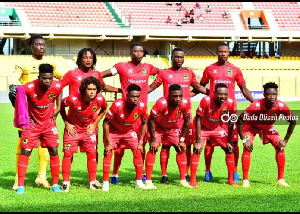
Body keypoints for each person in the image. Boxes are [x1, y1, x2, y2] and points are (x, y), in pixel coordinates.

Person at [192, 42, 255, 183]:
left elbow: (243, 88)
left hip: (229, 112)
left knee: (233, 143)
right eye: (220, 51)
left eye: (225, 51)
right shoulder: (209, 69)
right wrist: (204, 94)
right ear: (217, 52)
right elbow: (200, 86)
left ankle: (235, 171)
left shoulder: (235, 70)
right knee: (209, 144)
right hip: (212, 111)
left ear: (228, 53)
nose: (223, 54)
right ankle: (208, 171)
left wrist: (254, 102)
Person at [100, 42, 160, 185]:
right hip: (124, 113)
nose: (139, 53)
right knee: (119, 147)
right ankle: (114, 174)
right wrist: (117, 90)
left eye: (141, 51)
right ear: (130, 52)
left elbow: (163, 74)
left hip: (140, 113)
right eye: (136, 51)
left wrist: (149, 89)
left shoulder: (148, 68)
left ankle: (142, 174)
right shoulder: (122, 66)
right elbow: (102, 75)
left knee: (141, 144)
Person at [60, 47, 120, 188]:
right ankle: (66, 181)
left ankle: (93, 180)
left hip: (91, 120)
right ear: (80, 59)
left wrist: (121, 90)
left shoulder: (97, 75)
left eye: (90, 57)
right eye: (85, 57)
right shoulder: (71, 74)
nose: (88, 60)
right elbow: (59, 87)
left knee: (93, 150)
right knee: (69, 151)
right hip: (74, 117)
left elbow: (104, 87)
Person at [10, 34, 63, 190]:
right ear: (31, 46)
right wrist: (14, 87)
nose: (42, 47)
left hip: (45, 112)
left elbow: (62, 79)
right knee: (22, 146)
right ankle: (18, 179)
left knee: (46, 147)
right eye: (38, 44)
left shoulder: (50, 65)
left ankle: (41, 176)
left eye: (44, 44)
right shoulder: (23, 63)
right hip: (28, 112)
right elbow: (14, 82)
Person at [148, 47, 209, 184]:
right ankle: (164, 174)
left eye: (181, 57)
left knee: (185, 145)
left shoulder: (189, 73)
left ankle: (185, 174)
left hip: (184, 115)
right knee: (166, 146)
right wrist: (139, 95)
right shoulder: (164, 73)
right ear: (172, 58)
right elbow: (152, 87)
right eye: (176, 57)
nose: (179, 59)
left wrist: (212, 94)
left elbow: (198, 87)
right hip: (167, 114)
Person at [237, 82, 296, 187]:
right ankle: (245, 180)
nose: (271, 96)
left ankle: (280, 180)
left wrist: (285, 140)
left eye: (274, 94)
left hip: (267, 127)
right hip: (250, 127)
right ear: (264, 95)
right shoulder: (256, 105)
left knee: (280, 147)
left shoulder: (281, 106)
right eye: (269, 94)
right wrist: (244, 140)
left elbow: (293, 121)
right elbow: (240, 120)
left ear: (277, 95)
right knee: (248, 147)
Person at [60, 77, 107, 192]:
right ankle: (66, 182)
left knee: (92, 154)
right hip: (73, 130)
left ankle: (92, 182)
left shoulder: (100, 99)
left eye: (94, 89)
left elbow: (104, 109)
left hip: (88, 130)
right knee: (68, 154)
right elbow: (61, 105)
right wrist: (66, 122)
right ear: (83, 90)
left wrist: (95, 123)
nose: (92, 92)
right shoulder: (73, 99)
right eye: (89, 89)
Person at [102, 84, 149, 192]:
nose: (135, 99)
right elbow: (105, 123)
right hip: (113, 132)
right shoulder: (117, 105)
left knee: (138, 150)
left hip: (128, 131)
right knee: (108, 152)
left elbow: (144, 123)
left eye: (137, 96)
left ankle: (138, 182)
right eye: (133, 96)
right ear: (127, 95)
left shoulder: (142, 106)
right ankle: (105, 183)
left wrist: (141, 142)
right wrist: (108, 142)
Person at [190, 83, 238, 187]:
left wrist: (229, 141)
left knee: (229, 149)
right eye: (220, 94)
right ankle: (193, 181)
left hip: (217, 127)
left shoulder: (230, 102)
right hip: (202, 127)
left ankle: (231, 180)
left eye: (225, 94)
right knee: (197, 149)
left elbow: (231, 121)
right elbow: (198, 118)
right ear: (214, 93)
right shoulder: (206, 100)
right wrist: (198, 140)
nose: (223, 97)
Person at [145, 84, 192, 189]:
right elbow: (151, 121)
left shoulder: (185, 103)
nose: (178, 99)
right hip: (157, 127)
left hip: (171, 127)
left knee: (180, 148)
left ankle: (183, 181)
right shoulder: (161, 103)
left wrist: (182, 140)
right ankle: (148, 181)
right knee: (154, 148)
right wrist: (153, 140)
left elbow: (187, 121)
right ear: (169, 96)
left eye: (180, 96)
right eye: (175, 96)